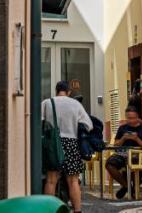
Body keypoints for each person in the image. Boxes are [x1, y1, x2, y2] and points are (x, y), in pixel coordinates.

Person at [42, 81, 93, 213]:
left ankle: (49, 210)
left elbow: (38, 121)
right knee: (73, 181)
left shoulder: (47, 103)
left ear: (56, 90)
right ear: (69, 92)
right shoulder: (75, 104)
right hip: (71, 143)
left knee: (51, 180)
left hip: (53, 144)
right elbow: (89, 124)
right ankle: (77, 210)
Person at [104, 106, 142, 198]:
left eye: (133, 118)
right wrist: (123, 138)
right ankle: (127, 187)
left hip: (139, 155)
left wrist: (137, 139)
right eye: (128, 118)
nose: (130, 120)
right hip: (123, 154)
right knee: (109, 164)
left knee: (133, 163)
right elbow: (116, 144)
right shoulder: (122, 128)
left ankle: (131, 188)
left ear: (138, 117)